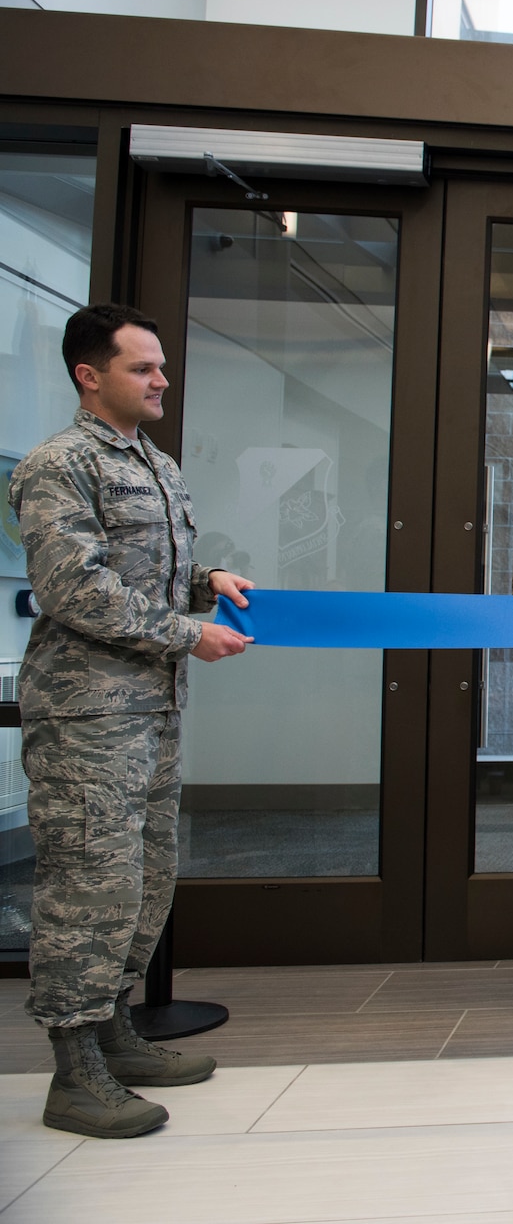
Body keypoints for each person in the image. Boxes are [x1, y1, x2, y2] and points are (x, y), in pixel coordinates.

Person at [11, 304, 254, 1139]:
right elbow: (75, 590)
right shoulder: (59, 465)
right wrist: (190, 630)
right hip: (87, 717)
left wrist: (208, 579)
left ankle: (114, 1030)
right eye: (143, 368)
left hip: (151, 712)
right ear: (91, 374)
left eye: (160, 367)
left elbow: (152, 577)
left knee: (146, 878)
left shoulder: (156, 463)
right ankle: (73, 1071)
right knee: (89, 884)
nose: (161, 380)